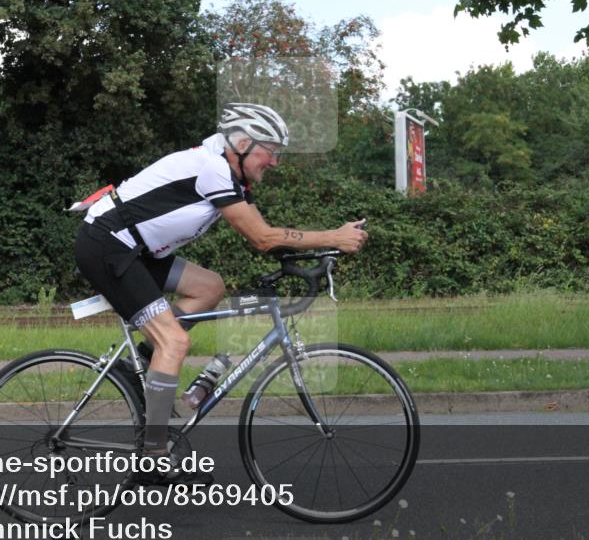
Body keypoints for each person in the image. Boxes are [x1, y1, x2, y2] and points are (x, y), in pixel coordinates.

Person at [73, 103, 368, 484]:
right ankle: (153, 458)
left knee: (209, 288)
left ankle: (137, 367)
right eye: (271, 150)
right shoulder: (213, 170)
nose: (274, 162)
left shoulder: (227, 174)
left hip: (135, 249)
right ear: (242, 143)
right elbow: (263, 238)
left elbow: (266, 233)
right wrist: (333, 237)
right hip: (108, 245)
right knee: (175, 342)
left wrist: (316, 251)